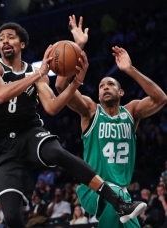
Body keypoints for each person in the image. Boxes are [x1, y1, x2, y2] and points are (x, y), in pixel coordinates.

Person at [0, 21, 147, 228]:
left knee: (57, 152)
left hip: (29, 132)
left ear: (22, 44)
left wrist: (76, 77)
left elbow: (52, 107)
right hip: (4, 145)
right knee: (12, 218)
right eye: (1, 37)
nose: (5, 40)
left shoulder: (35, 73)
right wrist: (38, 74)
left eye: (11, 36)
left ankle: (119, 203)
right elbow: (0, 94)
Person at [56, 15, 167, 228]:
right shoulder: (90, 110)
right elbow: (61, 86)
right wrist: (77, 46)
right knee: (114, 196)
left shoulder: (131, 112)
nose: (105, 87)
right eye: (101, 86)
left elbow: (161, 98)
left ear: (121, 91)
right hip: (93, 189)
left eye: (110, 84)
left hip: (122, 195)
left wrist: (129, 69)